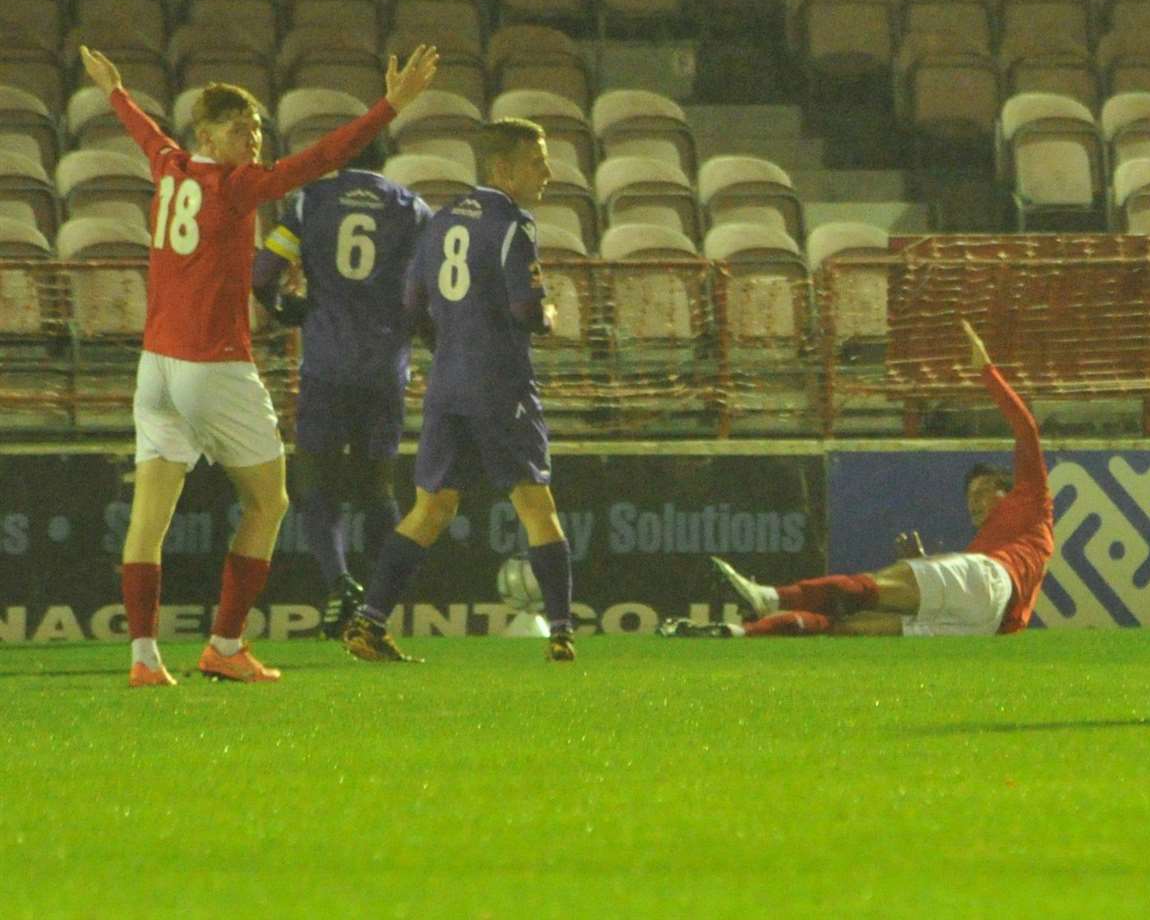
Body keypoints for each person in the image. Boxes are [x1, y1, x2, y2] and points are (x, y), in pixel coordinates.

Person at [81, 43, 439, 688]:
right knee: (270, 502)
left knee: (149, 518)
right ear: (208, 134)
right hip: (212, 364)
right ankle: (224, 643)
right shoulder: (237, 186)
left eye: (255, 129)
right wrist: (391, 106)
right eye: (238, 129)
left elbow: (146, 132)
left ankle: (142, 658)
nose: (251, 138)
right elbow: (323, 157)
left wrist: (115, 91)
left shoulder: (168, 166)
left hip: (156, 366)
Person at [340, 118, 576, 664]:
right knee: (535, 504)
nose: (548, 172)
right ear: (502, 169)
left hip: (447, 385)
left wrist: (449, 347)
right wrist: (549, 314)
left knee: (431, 508)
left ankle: (369, 623)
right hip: (500, 383)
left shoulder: (440, 222)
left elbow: (413, 305)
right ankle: (561, 631)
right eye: (537, 161)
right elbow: (525, 310)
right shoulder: (514, 223)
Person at [658, 319, 1053, 638]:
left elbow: (1027, 430)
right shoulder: (998, 546)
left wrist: (985, 370)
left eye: (985, 492)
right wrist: (924, 566)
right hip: (985, 623)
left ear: (1010, 491)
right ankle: (739, 633)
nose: (976, 502)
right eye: (971, 497)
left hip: (986, 587)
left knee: (869, 587)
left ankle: (774, 597)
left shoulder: (1033, 500)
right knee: (848, 627)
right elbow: (997, 605)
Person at [250, 138, 432, 638]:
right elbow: (425, 291)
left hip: (326, 365)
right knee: (377, 489)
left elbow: (263, 272)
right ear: (385, 159)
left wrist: (283, 307)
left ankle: (339, 586)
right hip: (383, 369)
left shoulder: (312, 201)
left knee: (315, 484)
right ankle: (378, 610)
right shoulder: (412, 209)